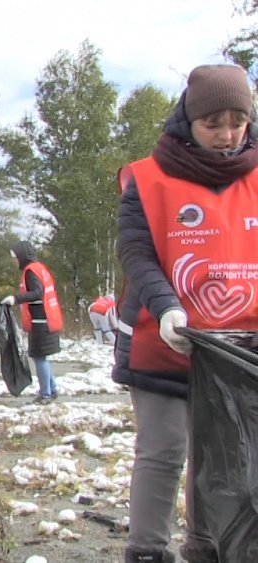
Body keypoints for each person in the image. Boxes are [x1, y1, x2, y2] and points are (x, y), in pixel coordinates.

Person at [113, 63, 258, 563]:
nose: (226, 135)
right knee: (164, 448)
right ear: (188, 119)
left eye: (237, 122)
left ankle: (208, 547)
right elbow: (137, 253)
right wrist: (168, 306)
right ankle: (148, 551)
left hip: (238, 349)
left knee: (223, 456)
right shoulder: (148, 179)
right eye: (212, 123)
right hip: (164, 335)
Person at [0, 240, 63, 404]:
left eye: (15, 257)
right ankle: (51, 389)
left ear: (21, 256)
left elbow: (37, 293)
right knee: (41, 357)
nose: (14, 261)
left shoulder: (31, 272)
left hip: (41, 321)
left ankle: (46, 394)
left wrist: (15, 299)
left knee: (39, 356)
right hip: (47, 319)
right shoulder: (39, 268)